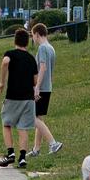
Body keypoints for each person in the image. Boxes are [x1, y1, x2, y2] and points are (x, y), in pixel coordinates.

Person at [0, 28, 38, 168]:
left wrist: (2, 81)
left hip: (13, 97)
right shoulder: (31, 58)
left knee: (6, 124)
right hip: (28, 99)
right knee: (23, 128)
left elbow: (5, 62)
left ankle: (10, 153)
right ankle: (22, 158)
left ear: (15, 41)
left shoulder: (10, 54)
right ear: (27, 42)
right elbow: (35, 81)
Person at [28, 23, 63, 157]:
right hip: (47, 87)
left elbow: (42, 68)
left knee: (32, 117)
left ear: (37, 34)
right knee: (39, 118)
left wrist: (36, 87)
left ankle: (53, 143)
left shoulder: (42, 48)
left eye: (33, 36)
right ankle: (36, 149)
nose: (33, 39)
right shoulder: (51, 48)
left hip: (41, 87)